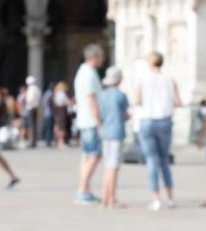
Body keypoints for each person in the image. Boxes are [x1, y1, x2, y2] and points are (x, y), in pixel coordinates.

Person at [133, 51, 182, 211]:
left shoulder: (143, 79)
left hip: (147, 120)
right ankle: (170, 197)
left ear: (149, 63)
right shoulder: (170, 79)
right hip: (165, 121)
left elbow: (136, 100)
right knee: (164, 160)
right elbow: (178, 101)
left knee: (152, 161)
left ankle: (155, 199)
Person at [73, 44, 105, 205]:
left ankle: (84, 189)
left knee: (87, 156)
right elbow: (91, 98)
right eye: (101, 56)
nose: (103, 59)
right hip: (91, 121)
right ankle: (82, 190)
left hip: (84, 120)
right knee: (95, 155)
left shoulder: (83, 71)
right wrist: (99, 122)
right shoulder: (89, 74)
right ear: (94, 57)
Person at [97, 66, 130, 208]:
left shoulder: (101, 95)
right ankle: (111, 199)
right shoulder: (121, 95)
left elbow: (101, 114)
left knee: (107, 166)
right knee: (113, 167)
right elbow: (125, 114)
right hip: (117, 131)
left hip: (105, 131)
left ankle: (105, 198)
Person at [24, 76, 41, 148]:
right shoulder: (37, 88)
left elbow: (29, 100)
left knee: (31, 125)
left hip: (31, 108)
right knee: (34, 125)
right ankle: (34, 141)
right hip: (36, 107)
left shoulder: (31, 89)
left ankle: (32, 141)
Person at [53, 81, 70, 149]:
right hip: (62, 111)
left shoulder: (56, 94)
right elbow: (67, 102)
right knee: (62, 127)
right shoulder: (62, 94)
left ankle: (59, 141)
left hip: (57, 111)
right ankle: (61, 142)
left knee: (58, 126)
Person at [41, 82, 55, 147]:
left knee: (48, 128)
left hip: (46, 113)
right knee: (49, 128)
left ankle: (48, 141)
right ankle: (49, 141)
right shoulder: (50, 93)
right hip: (49, 113)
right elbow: (48, 102)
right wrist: (52, 109)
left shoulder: (45, 93)